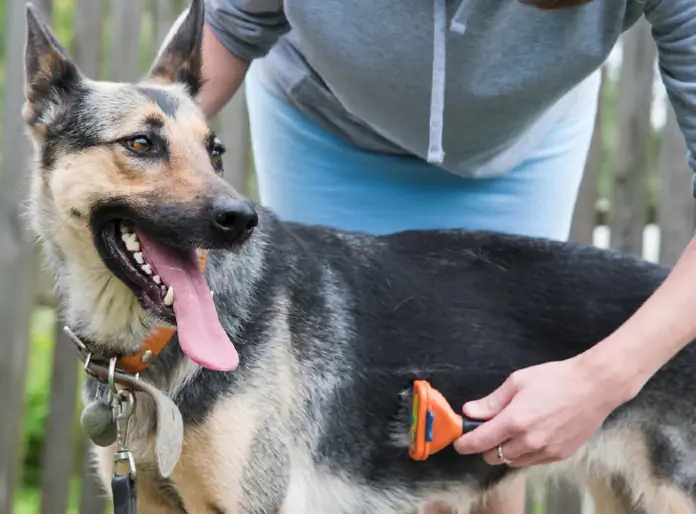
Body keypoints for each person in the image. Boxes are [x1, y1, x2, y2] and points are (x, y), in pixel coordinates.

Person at [195, 0, 696, 512]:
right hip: (328, 121)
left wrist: (598, 382)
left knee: (494, 426)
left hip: (518, 130)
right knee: (342, 437)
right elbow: (226, 23)